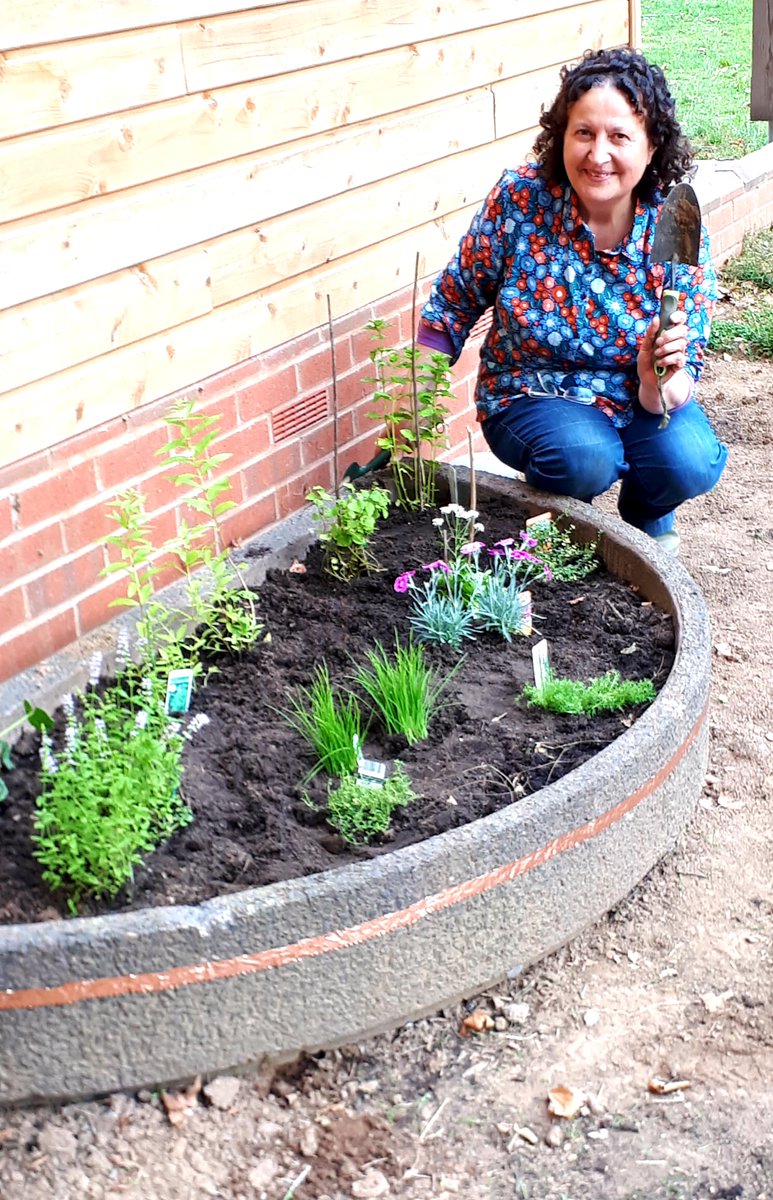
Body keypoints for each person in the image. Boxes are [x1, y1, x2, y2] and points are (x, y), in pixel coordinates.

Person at [418, 47, 728, 553]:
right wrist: (415, 398)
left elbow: (679, 374)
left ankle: (644, 518)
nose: (598, 155)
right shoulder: (521, 200)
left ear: (652, 145)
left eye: (619, 137)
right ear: (561, 134)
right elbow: (453, 303)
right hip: (531, 388)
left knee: (688, 459)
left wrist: (656, 381)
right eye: (584, 133)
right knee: (584, 457)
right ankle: (561, 526)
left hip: (636, 392)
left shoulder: (674, 221)